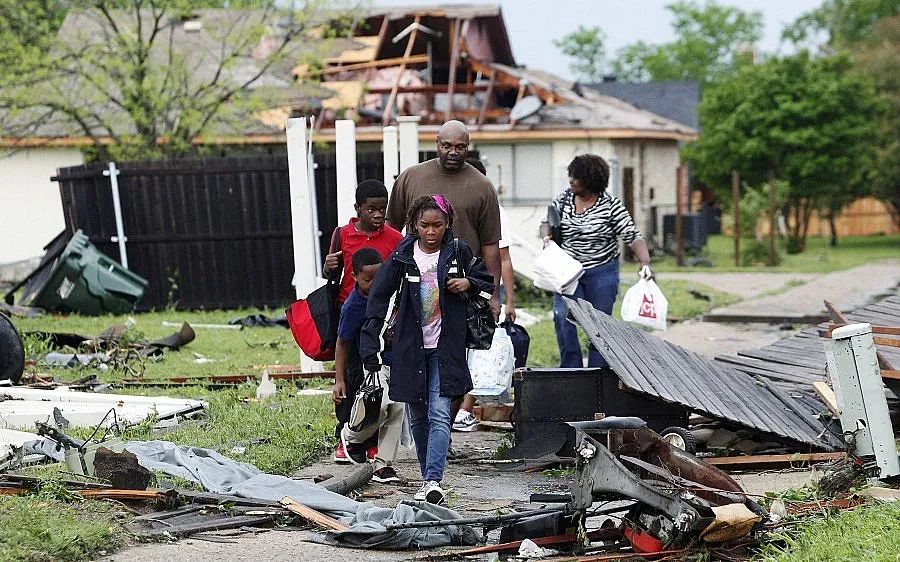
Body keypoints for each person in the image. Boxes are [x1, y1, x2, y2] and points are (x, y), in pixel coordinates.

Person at [360, 195, 493, 504]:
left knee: (438, 413)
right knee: (417, 416)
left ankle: (434, 479)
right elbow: (378, 296)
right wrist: (371, 343)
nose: (431, 232)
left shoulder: (458, 252)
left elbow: (486, 281)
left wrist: (468, 283)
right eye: (424, 226)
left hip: (446, 347)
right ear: (414, 225)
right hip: (411, 348)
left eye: (437, 225)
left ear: (448, 225)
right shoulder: (404, 254)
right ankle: (427, 479)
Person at [544, 154, 652, 368]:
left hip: (602, 273)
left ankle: (597, 371)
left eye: (577, 177)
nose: (571, 181)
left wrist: (645, 262)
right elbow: (547, 222)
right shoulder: (564, 200)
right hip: (567, 272)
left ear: (592, 179)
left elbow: (633, 236)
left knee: (600, 325)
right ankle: (570, 368)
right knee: (562, 317)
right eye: (571, 176)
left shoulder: (611, 206)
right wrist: (546, 238)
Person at [386, 120, 502, 316]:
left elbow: (490, 245)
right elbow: (391, 230)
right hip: (415, 282)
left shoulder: (483, 186)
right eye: (447, 145)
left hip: (462, 285)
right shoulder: (410, 178)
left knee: (457, 343)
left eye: (460, 147)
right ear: (437, 143)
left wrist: (493, 295)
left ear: (468, 145)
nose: (453, 152)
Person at [325, 179, 403, 463]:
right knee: (353, 378)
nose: (378, 215)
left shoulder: (395, 238)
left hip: (382, 320)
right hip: (351, 312)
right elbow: (332, 275)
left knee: (378, 381)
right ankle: (344, 436)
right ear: (358, 209)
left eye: (382, 209)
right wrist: (328, 267)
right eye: (371, 209)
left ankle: (370, 441)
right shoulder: (343, 234)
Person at [453, 157, 517, 432]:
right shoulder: (445, 209)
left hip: (481, 287)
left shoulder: (492, 208)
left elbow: (503, 258)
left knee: (475, 349)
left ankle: (466, 409)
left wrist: (504, 298)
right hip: (454, 287)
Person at [334, 248, 405, 483]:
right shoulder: (353, 305)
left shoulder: (392, 294)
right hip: (372, 361)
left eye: (378, 277)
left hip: (398, 360)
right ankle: (351, 435)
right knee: (380, 404)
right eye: (368, 279)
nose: (374, 283)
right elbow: (342, 343)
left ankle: (383, 465)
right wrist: (339, 379)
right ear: (354, 276)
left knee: (398, 409)